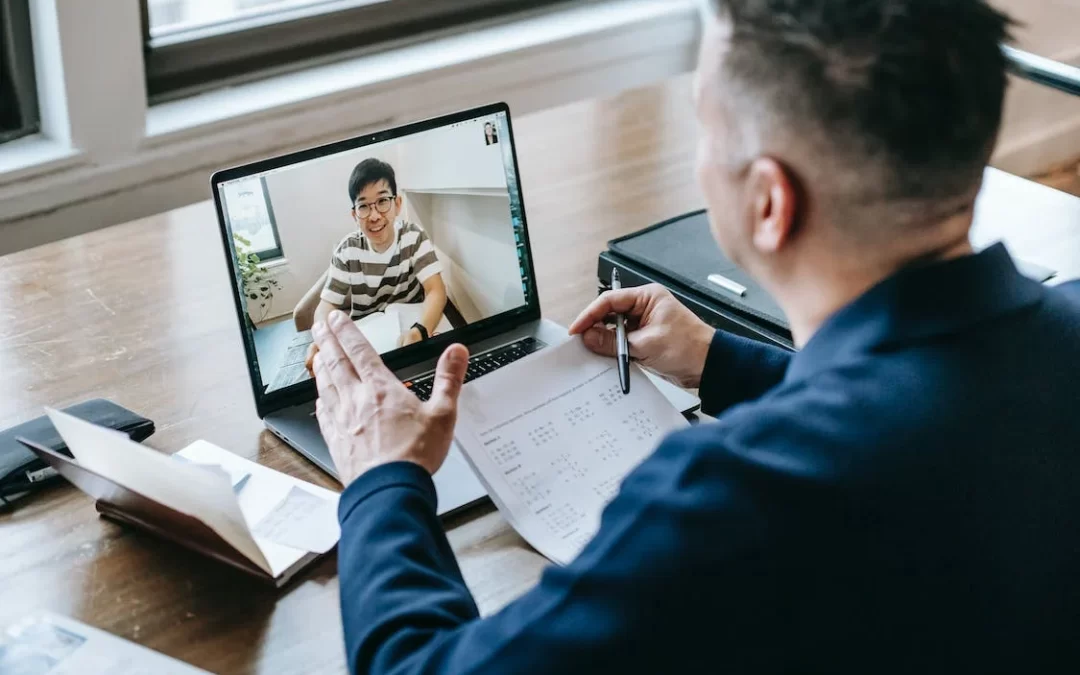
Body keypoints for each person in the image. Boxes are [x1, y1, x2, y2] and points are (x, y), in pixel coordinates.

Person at [310, 0, 1080, 672]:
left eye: (704, 122)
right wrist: (719, 361)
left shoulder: (733, 502)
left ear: (769, 202)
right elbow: (934, 403)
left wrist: (382, 477)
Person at [306, 158, 447, 371]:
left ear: (397, 204)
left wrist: (421, 331)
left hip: (412, 336)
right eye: (363, 206)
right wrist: (322, 338)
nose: (374, 216)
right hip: (367, 346)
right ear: (355, 214)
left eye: (382, 202)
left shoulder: (413, 236)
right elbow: (326, 305)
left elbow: (435, 289)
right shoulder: (347, 251)